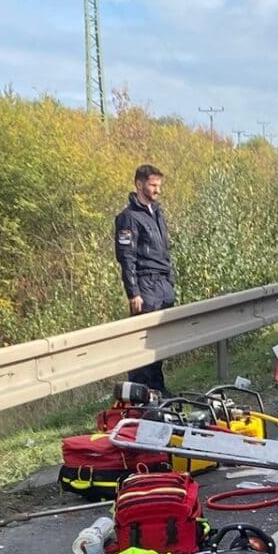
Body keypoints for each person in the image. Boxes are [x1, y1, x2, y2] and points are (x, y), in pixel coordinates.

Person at [114, 164, 176, 392]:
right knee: (143, 345)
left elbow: (165, 251)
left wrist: (170, 281)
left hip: (163, 284)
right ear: (139, 184)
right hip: (145, 284)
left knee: (158, 343)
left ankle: (158, 391)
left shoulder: (157, 213)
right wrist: (134, 292)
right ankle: (141, 394)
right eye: (153, 185)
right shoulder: (128, 218)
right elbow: (126, 257)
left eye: (159, 185)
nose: (158, 190)